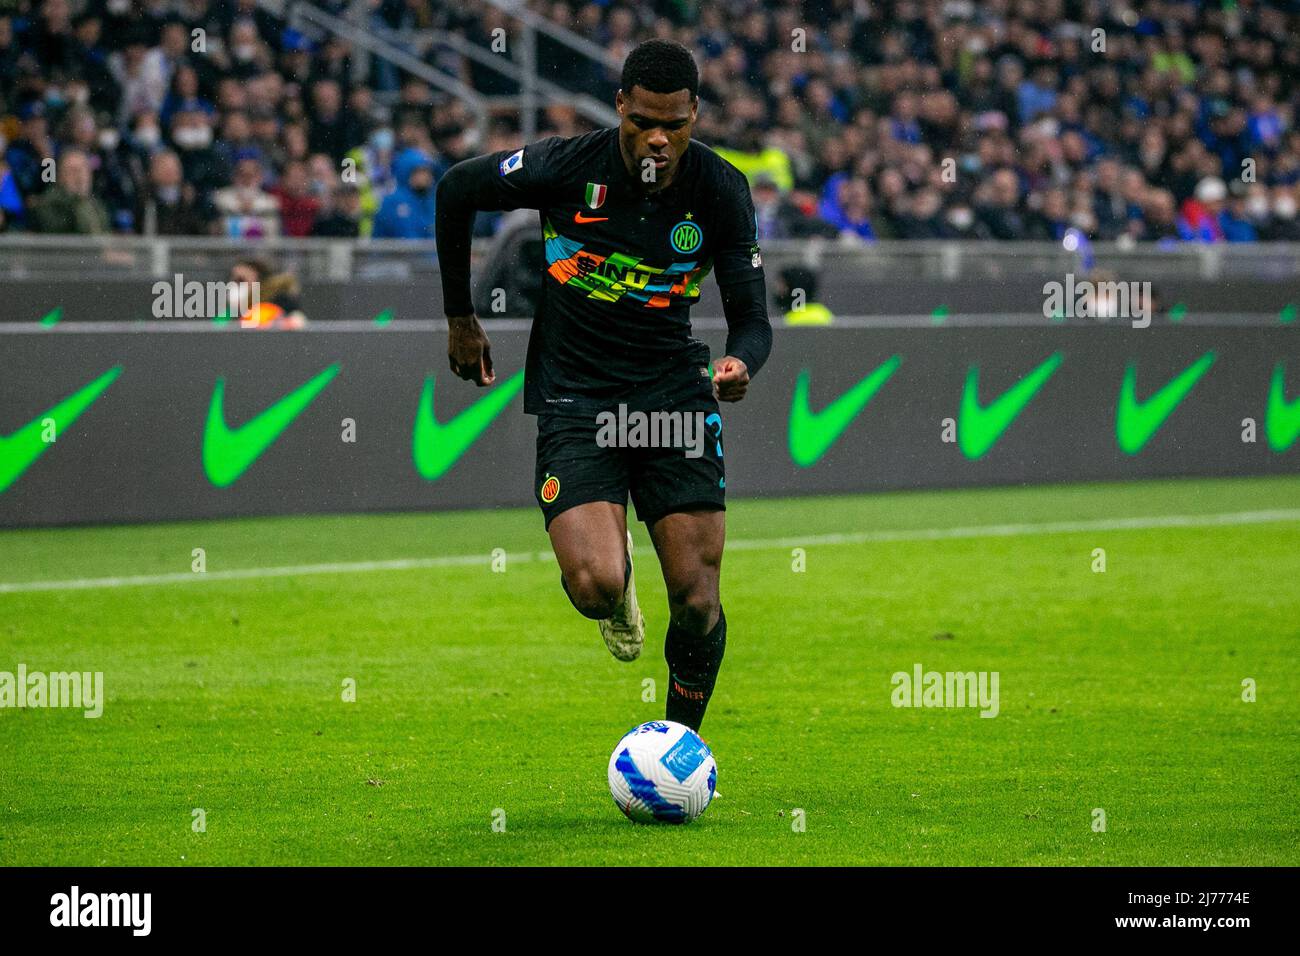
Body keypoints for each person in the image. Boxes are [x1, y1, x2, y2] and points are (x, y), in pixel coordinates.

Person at [435, 39, 771, 733]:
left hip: (673, 397)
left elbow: (753, 320)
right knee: (595, 586)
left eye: (673, 124)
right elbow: (457, 189)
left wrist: (740, 363)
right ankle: (617, 587)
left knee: (699, 600)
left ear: (695, 116)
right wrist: (460, 317)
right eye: (642, 119)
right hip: (576, 395)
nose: (657, 137)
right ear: (619, 106)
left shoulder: (719, 188)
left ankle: (680, 746)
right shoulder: (563, 166)